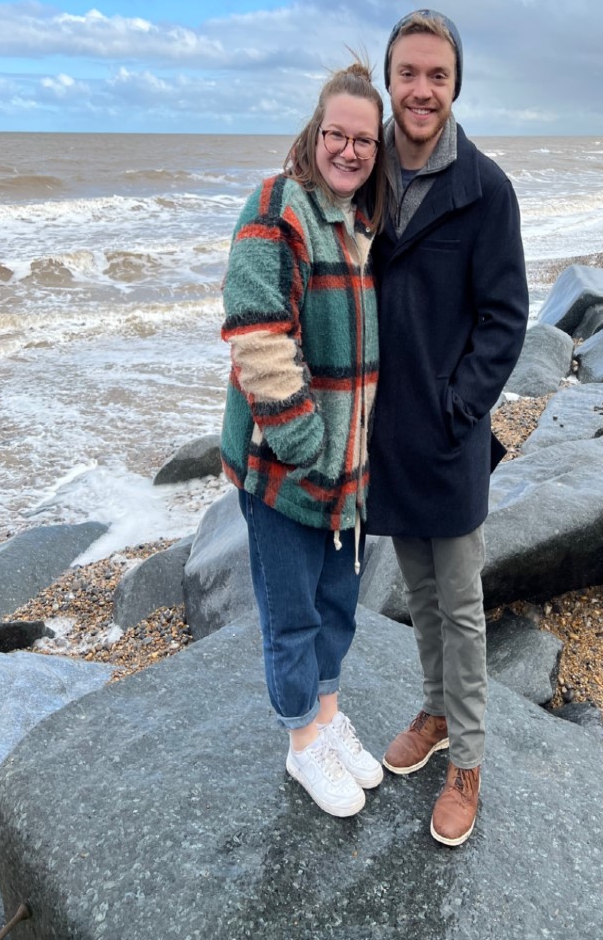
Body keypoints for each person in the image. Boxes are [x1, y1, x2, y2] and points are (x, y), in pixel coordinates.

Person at [366, 9, 529, 846]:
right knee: (419, 594)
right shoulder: (367, 174)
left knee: (462, 604)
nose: (421, 89)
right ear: (388, 82)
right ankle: (433, 713)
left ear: (455, 82)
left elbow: (506, 318)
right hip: (384, 434)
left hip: (451, 432)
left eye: (436, 74)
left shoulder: (485, 188)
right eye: (408, 73)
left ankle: (467, 758)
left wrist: (459, 406)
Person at [220, 57, 387, 818]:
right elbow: (258, 337)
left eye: (364, 140)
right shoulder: (274, 210)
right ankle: (300, 746)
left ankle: (326, 717)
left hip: (347, 475)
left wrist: (350, 456)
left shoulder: (359, 227)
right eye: (336, 135)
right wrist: (307, 448)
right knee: (291, 615)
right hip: (289, 473)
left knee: (339, 604)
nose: (349, 150)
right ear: (313, 135)